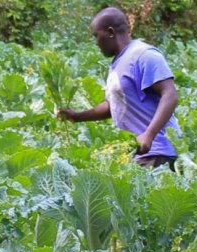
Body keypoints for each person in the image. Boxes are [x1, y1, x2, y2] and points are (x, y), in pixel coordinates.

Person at [58, 7, 180, 171]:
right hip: (138, 155)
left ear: (110, 32)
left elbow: (170, 95)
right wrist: (77, 116)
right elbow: (113, 105)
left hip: (157, 154)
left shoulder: (144, 55)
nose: (95, 42)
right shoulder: (118, 62)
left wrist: (149, 134)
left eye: (96, 35)